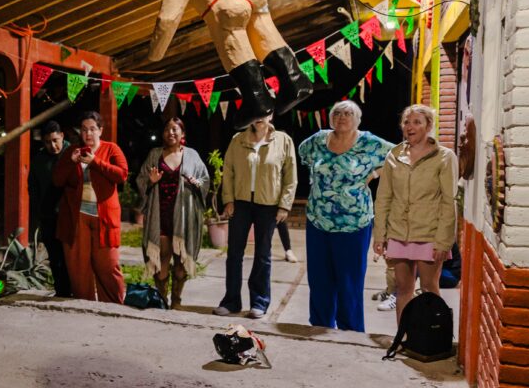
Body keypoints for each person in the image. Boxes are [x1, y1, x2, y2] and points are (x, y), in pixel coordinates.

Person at [298, 100, 394, 332]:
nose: (341, 117)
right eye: (337, 113)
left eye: (348, 113)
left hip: (354, 225)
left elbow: (400, 157)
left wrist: (375, 173)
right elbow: (302, 154)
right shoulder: (317, 140)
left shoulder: (369, 143)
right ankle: (320, 325)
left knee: (349, 281)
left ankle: (350, 330)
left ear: (357, 119)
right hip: (318, 222)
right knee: (319, 279)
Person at [373, 104, 459, 321]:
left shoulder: (444, 157)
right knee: (403, 289)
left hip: (429, 233)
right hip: (398, 232)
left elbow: (449, 201)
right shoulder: (394, 156)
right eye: (406, 122)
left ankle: (432, 336)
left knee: (429, 288)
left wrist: (444, 241)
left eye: (417, 122)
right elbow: (383, 198)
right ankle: (403, 336)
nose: (410, 127)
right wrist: (380, 235)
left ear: (428, 126)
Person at [212, 113, 296, 319]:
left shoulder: (283, 141)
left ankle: (259, 302)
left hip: (268, 205)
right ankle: (231, 301)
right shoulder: (238, 140)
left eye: (264, 113)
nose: (259, 117)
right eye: (255, 113)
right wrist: (228, 199)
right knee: (234, 254)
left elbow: (290, 177)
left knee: (263, 254)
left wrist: (284, 205)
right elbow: (228, 171)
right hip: (240, 203)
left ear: (271, 115)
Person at [53, 111, 128, 303]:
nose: (88, 133)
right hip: (77, 215)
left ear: (100, 130)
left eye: (93, 129)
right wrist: (71, 163)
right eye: (84, 129)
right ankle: (84, 304)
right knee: (78, 266)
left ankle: (114, 304)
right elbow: (57, 180)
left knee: (108, 264)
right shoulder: (73, 151)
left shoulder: (111, 149)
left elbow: (122, 175)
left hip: (104, 215)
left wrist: (96, 162)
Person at [136, 117, 210, 309]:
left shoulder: (192, 155)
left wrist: (196, 183)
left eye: (175, 129)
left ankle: (176, 301)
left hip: (184, 217)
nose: (171, 133)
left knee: (181, 262)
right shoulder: (154, 154)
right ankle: (162, 300)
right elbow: (141, 180)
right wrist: (151, 181)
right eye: (167, 129)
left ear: (182, 133)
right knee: (161, 259)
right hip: (160, 215)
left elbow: (205, 180)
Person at [28, 121, 71, 296]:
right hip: (48, 215)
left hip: (69, 214)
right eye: (47, 142)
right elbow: (32, 187)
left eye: (55, 140)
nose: (52, 146)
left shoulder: (72, 152)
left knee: (70, 256)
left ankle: (75, 289)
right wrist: (39, 209)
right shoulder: (39, 159)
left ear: (62, 136)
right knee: (54, 257)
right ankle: (61, 292)